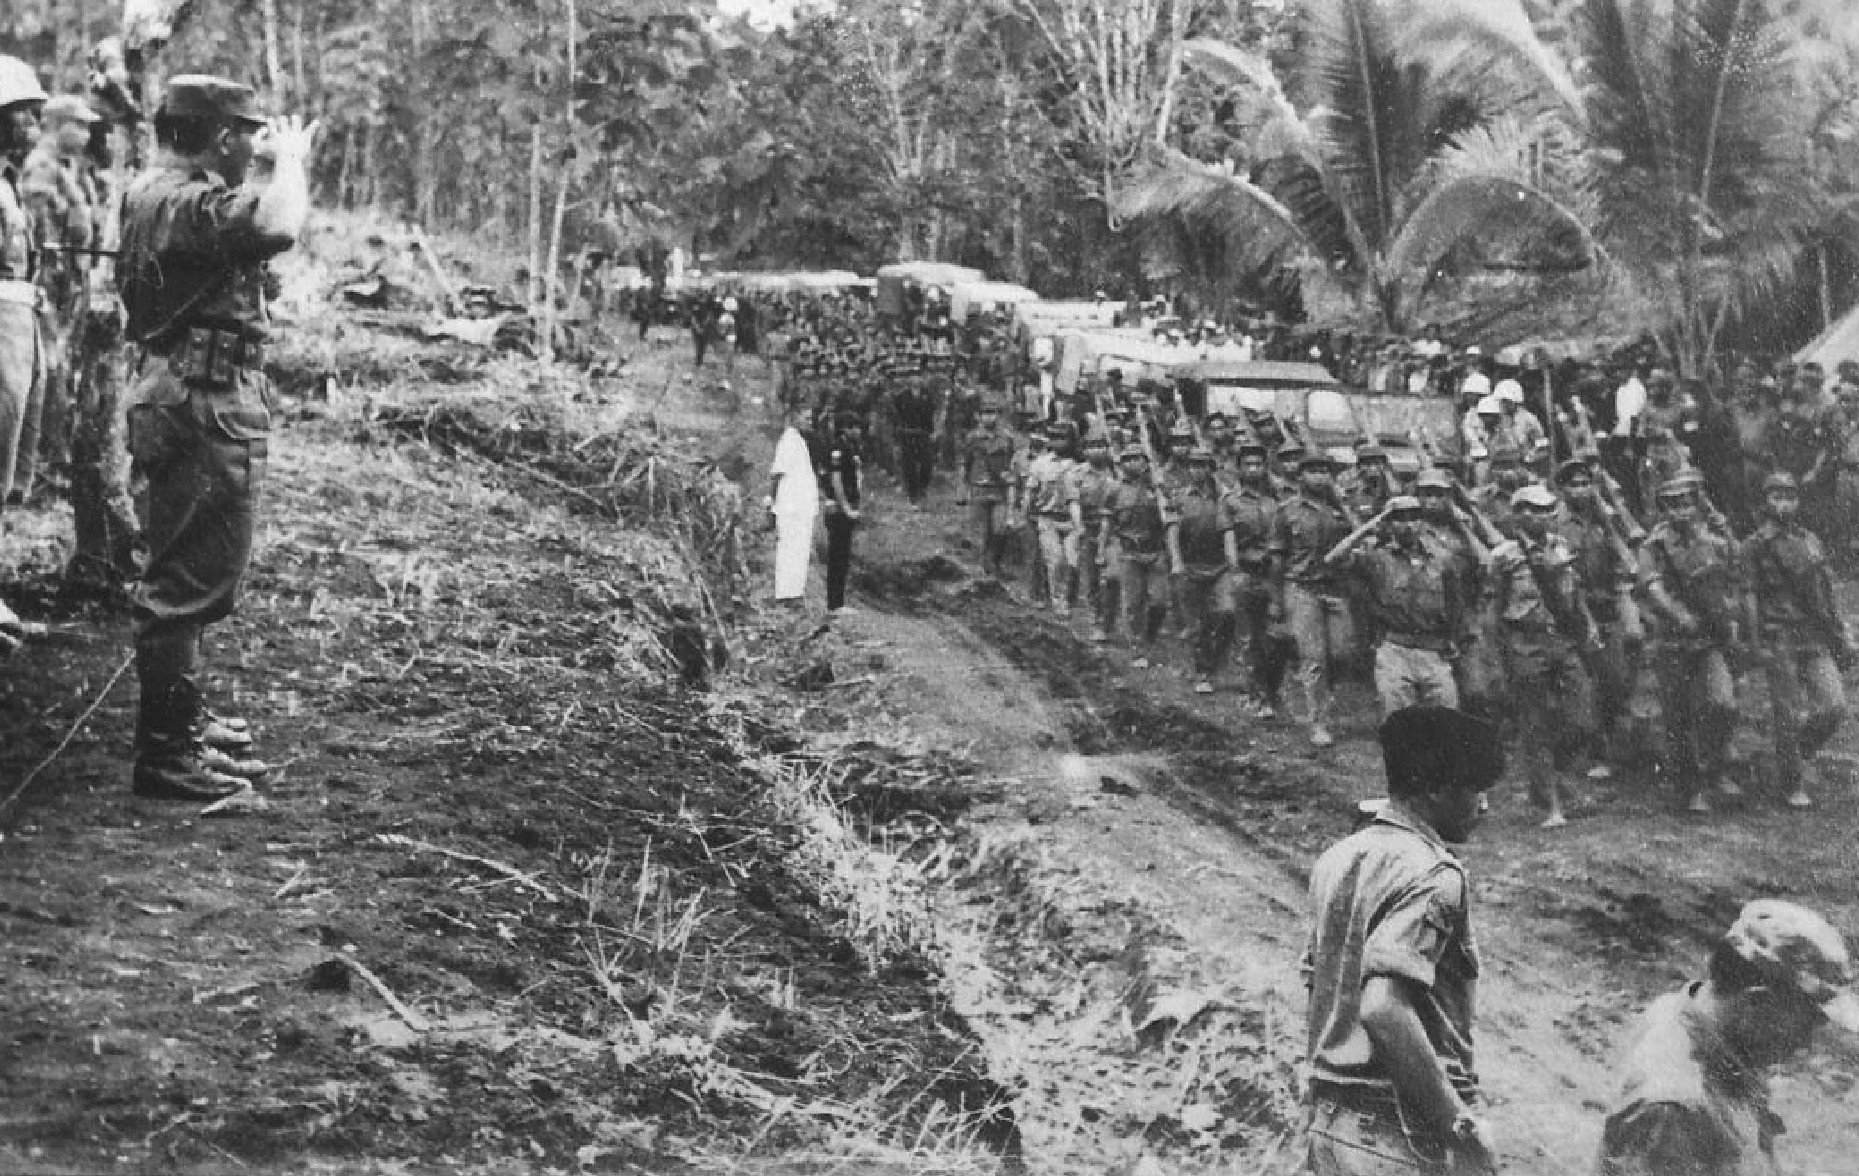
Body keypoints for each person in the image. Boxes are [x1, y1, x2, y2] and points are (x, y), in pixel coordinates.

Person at [117, 76, 317, 800]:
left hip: (188, 396)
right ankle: (168, 755)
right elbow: (278, 224)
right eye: (248, 135)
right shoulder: (183, 198)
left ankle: (181, 728)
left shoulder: (156, 192)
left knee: (195, 572)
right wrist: (290, 161)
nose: (253, 147)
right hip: (200, 404)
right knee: (187, 583)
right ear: (222, 135)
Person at [1304, 704, 1506, 1176]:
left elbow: (1319, 987)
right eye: (1473, 789)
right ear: (1435, 789)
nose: (1484, 805)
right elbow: (1382, 1007)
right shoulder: (1436, 876)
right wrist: (1461, 1127)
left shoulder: (1338, 857)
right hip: (1397, 1136)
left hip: (1330, 1125)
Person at [1595, 899, 1859, 1176]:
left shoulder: (1687, 1012)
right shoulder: (1676, 1111)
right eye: (1805, 1025)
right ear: (1757, 1004)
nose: (1806, 1043)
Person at [1493, 483, 1599, 828]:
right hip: (1525, 643)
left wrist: (1588, 624)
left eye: (1544, 510)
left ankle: (1553, 774)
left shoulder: (1562, 547)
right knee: (1535, 724)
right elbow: (1494, 608)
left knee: (1582, 720)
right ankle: (1550, 805)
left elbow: (1574, 592)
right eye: (1529, 509)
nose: (1537, 517)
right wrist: (1502, 654)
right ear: (1517, 514)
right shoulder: (1505, 555)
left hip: (1562, 640)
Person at [1639, 478, 1747, 814]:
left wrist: (1729, 620)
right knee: (1679, 716)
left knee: (1722, 703)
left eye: (1686, 503)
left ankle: (1714, 770)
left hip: (1710, 640)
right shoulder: (1653, 546)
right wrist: (1679, 614)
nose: (1680, 511)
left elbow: (1734, 576)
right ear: (1662, 508)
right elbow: (1652, 588)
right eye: (1672, 504)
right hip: (1672, 641)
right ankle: (1690, 787)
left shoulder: (1711, 540)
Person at [1745, 472, 1851, 809]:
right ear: (1765, 502)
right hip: (1779, 637)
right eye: (1776, 497)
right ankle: (1792, 783)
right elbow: (1749, 599)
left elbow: (1825, 590)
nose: (1783, 504)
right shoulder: (1755, 546)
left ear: (1798, 501)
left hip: (1813, 635)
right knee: (1786, 712)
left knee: (1834, 706)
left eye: (1789, 497)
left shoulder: (1811, 540)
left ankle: (1790, 756)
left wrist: (1840, 632)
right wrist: (1755, 642)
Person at [1325, 496, 1469, 715]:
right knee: (1397, 725)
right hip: (1394, 650)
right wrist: (1372, 523)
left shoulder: (1442, 559)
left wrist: (1452, 638)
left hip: (1433, 651)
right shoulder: (1378, 559)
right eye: (1400, 519)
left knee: (1445, 720)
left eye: (1414, 519)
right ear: (1390, 524)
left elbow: (1455, 602)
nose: (1408, 525)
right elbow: (1333, 559)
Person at [1273, 452, 1355, 747]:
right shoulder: (1287, 510)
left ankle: (1322, 698)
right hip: (1301, 587)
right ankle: (1318, 721)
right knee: (1314, 657)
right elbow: (1278, 558)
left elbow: (1361, 538)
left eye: (1325, 471)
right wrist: (1276, 600)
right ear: (1300, 476)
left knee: (1342, 654)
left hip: (1336, 589)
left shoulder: (1342, 510)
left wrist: (1345, 508)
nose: (1320, 477)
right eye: (1313, 471)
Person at [1107, 443, 1181, 667]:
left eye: (1137, 459)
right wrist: (1104, 549)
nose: (1132, 464)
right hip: (1129, 552)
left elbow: (1171, 518)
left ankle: (1149, 635)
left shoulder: (1158, 488)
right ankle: (1138, 647)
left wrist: (1162, 491)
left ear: (1145, 462)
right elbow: (1107, 521)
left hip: (1155, 552)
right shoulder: (1115, 490)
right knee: (1133, 603)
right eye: (1127, 460)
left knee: (1159, 602)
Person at [1173, 446, 1237, 693]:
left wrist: (1233, 562)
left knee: (1227, 614)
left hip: (1219, 567)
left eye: (1202, 465)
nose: (1197, 470)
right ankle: (1202, 672)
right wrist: (1177, 561)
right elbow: (1172, 531)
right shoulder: (1180, 497)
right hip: (1191, 567)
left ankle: (1217, 661)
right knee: (1197, 624)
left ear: (1211, 469)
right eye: (1193, 465)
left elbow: (1231, 527)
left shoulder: (1223, 497)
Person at [766, 404, 818, 607]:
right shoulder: (788, 439)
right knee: (789, 549)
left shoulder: (799, 441)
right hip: (790, 507)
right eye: (806, 418)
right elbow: (777, 474)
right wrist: (771, 502)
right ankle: (785, 594)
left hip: (801, 507)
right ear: (795, 417)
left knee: (800, 550)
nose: (810, 422)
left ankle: (795, 592)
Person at [959, 400, 1016, 577]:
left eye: (992, 413)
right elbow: (965, 463)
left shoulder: (1007, 438)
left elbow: (1012, 463)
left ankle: (994, 562)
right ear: (979, 416)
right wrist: (963, 488)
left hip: (999, 488)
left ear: (998, 416)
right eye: (985, 413)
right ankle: (984, 566)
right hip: (979, 487)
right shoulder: (972, 438)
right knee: (981, 530)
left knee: (999, 529)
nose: (989, 417)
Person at [817, 411, 862, 616]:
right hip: (839, 509)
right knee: (837, 556)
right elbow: (836, 481)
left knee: (842, 556)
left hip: (848, 507)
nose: (859, 432)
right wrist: (845, 508)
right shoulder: (838, 449)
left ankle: (838, 602)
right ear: (847, 428)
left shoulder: (851, 449)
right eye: (856, 427)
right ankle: (834, 604)